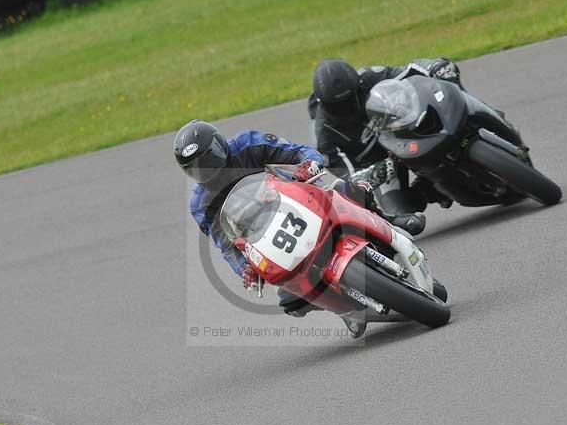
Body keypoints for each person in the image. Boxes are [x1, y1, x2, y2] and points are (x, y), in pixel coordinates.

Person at [173, 119, 420, 338]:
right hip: (264, 237)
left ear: (219, 145)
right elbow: (226, 245)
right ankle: (344, 309)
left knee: (345, 188)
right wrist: (245, 268)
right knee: (289, 299)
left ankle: (388, 221)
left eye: (208, 159)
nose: (205, 169)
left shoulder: (248, 144)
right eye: (195, 168)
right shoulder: (200, 204)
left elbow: (297, 151)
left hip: (295, 199)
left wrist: (310, 163)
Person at [308, 58, 464, 213]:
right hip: (381, 164)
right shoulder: (322, 137)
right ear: (323, 104)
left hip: (405, 132)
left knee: (447, 96)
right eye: (336, 106)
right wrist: (374, 174)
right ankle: (427, 190)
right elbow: (350, 181)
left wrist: (435, 66)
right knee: (401, 215)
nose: (345, 108)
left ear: (358, 86)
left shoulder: (369, 77)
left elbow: (409, 70)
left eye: (349, 99)